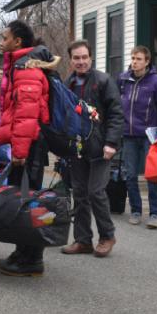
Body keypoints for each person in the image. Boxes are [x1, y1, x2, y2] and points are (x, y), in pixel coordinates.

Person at [0, 19, 61, 277]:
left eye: (4, 37)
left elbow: (27, 114)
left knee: (29, 201)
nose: (1, 42)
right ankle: (21, 253)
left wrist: (20, 152)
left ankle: (32, 259)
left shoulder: (28, 69)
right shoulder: (19, 65)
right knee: (22, 200)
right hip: (25, 145)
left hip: (30, 146)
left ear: (18, 41)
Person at [61, 40, 124, 258]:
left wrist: (111, 143)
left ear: (91, 58)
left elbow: (116, 113)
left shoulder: (104, 81)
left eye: (84, 57)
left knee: (96, 192)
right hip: (77, 147)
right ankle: (83, 240)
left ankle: (107, 236)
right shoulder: (67, 83)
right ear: (70, 60)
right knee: (79, 193)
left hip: (100, 147)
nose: (81, 62)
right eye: (76, 58)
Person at [117, 46, 157, 229]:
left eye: (139, 59)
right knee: (130, 175)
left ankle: (155, 213)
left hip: (149, 137)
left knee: (152, 176)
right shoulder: (123, 80)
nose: (135, 62)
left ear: (147, 61)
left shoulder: (156, 82)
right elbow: (116, 105)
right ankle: (135, 210)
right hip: (128, 136)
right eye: (133, 58)